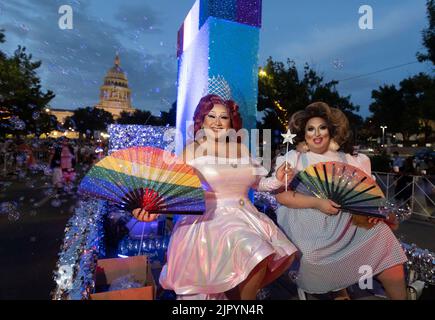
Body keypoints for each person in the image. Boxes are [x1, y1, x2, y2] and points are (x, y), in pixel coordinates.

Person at [136, 94, 298, 300]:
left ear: (231, 122)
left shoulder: (241, 149)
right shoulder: (191, 151)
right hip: (209, 222)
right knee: (251, 252)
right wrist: (152, 209)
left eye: (224, 117)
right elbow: (172, 189)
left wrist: (278, 178)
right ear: (201, 120)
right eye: (211, 116)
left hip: (246, 217)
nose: (217, 122)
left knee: (257, 259)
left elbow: (258, 184)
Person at [274, 102, 408, 300]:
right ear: (304, 133)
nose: (316, 133)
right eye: (311, 129)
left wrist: (372, 212)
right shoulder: (294, 158)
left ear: (331, 131)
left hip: (347, 222)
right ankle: (340, 291)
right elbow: (280, 195)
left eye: (322, 127)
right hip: (309, 224)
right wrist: (318, 203)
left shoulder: (350, 159)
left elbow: (366, 192)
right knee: (314, 256)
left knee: (384, 239)